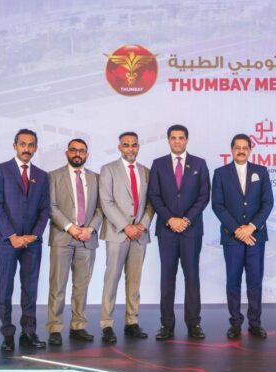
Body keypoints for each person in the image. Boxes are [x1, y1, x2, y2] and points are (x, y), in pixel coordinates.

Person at [147, 124, 211, 340]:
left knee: (192, 277)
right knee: (167, 278)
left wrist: (186, 219)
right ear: (168, 140)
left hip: (191, 230)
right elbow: (154, 195)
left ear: (187, 140)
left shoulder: (199, 164)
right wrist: (170, 219)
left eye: (181, 138)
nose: (177, 141)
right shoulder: (158, 164)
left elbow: (204, 195)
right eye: (173, 138)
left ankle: (194, 324)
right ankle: (166, 325)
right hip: (167, 231)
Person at [0, 129, 50, 351]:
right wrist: (12, 236)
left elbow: (45, 209)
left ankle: (29, 332)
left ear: (36, 148)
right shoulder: (0, 170)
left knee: (30, 288)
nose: (27, 148)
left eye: (31, 145)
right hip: (7, 241)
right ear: (15, 145)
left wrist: (34, 235)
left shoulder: (42, 176)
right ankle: (7, 334)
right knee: (6, 287)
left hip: (32, 242)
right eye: (23, 144)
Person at [211, 134, 274, 339]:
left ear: (250, 150)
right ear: (231, 150)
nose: (241, 150)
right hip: (232, 237)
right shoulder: (220, 173)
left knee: (255, 281)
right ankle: (235, 323)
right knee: (233, 281)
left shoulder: (261, 171)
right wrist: (238, 230)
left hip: (256, 236)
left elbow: (268, 203)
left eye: (245, 147)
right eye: (237, 147)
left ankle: (255, 323)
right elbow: (217, 205)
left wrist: (252, 227)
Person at [46, 138, 102, 346]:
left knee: (81, 286)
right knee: (57, 286)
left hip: (87, 239)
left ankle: (78, 326)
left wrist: (90, 229)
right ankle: (55, 328)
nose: (77, 154)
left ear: (87, 154)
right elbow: (51, 206)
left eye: (82, 151)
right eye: (73, 150)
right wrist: (70, 227)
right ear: (66, 153)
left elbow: (101, 208)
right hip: (62, 238)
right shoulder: (53, 176)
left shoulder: (96, 178)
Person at [99, 132, 154, 342]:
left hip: (139, 235)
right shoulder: (108, 170)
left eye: (134, 145)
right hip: (117, 234)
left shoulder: (146, 172)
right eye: (126, 145)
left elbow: (151, 203)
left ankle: (132, 321)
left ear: (138, 147)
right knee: (111, 279)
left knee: (134, 281)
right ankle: (107, 324)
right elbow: (106, 201)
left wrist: (141, 225)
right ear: (119, 147)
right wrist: (126, 227)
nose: (130, 148)